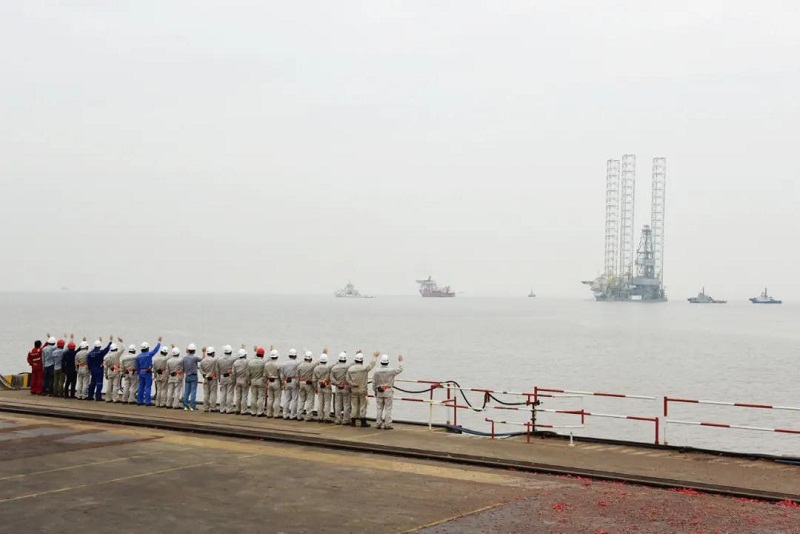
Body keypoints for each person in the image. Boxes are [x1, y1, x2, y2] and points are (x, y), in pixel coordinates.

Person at [372, 354, 404, 429]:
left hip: (379, 390)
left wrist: (375, 390)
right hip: (388, 390)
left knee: (379, 408)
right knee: (388, 408)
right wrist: (400, 361)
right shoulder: (391, 370)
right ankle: (387, 424)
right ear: (388, 362)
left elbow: (374, 382)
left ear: (381, 362)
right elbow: (400, 369)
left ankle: (378, 423)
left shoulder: (377, 371)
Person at [346, 351, 378, 427]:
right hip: (362, 390)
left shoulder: (350, 369)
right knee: (363, 405)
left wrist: (352, 384)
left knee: (354, 405)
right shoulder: (364, 368)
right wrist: (375, 357)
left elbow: (347, 379)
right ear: (362, 360)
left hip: (354, 389)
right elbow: (372, 364)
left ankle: (353, 421)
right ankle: (363, 421)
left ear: (355, 360)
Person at [136, 338, 163, 406]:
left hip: (141, 372)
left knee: (141, 387)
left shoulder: (138, 356)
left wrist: (139, 373)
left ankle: (139, 401)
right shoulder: (149, 354)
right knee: (148, 387)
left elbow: (137, 366)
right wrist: (159, 342)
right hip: (147, 372)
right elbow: (155, 350)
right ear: (147, 348)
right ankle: (147, 402)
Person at [330, 351, 352, 425]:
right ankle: (346, 419)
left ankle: (338, 419)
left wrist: (337, 383)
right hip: (346, 387)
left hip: (338, 388)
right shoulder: (347, 367)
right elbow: (354, 364)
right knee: (346, 404)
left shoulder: (334, 368)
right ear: (345, 359)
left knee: (337, 404)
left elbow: (331, 378)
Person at [297, 351, 319, 421]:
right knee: (310, 400)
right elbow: (318, 362)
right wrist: (324, 353)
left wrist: (298, 384)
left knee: (301, 400)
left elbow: (297, 376)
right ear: (310, 359)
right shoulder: (312, 365)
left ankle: (299, 415)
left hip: (301, 383)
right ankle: (308, 416)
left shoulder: (299, 366)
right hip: (308, 384)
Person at [313, 350, 333, 423]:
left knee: (320, 402)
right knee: (327, 402)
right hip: (327, 384)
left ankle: (320, 417)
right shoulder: (328, 367)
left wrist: (315, 388)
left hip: (319, 385)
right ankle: (326, 417)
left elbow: (314, 379)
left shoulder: (316, 368)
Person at [280, 348, 300, 420]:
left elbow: (281, 375)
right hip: (294, 380)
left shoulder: (283, 363)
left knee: (287, 399)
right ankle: (293, 414)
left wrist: (283, 382)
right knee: (294, 399)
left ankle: (285, 414)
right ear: (295, 355)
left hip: (286, 381)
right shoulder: (297, 363)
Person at [181, 343, 201, 411]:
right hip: (194, 376)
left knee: (186, 392)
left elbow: (182, 366)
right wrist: (204, 352)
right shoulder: (195, 358)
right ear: (194, 350)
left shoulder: (184, 358)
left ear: (188, 350)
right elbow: (202, 359)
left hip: (187, 376)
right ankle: (192, 406)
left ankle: (185, 406)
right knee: (193, 391)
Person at [247, 347, 267, 417]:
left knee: (253, 396)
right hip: (261, 380)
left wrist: (249, 381)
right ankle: (260, 412)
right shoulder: (263, 362)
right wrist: (265, 380)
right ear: (263, 355)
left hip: (253, 380)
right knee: (261, 397)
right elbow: (265, 373)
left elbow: (248, 373)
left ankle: (253, 411)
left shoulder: (250, 362)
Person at [103, 338, 124, 403]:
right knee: (115, 385)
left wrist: (105, 374)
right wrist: (121, 342)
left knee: (109, 386)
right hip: (116, 370)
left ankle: (108, 398)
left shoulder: (106, 357)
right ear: (116, 348)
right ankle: (115, 398)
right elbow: (123, 349)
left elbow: (105, 367)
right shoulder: (116, 354)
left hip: (110, 371)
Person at [217, 345, 235, 414]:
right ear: (231, 351)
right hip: (230, 376)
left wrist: (218, 378)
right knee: (230, 393)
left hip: (222, 377)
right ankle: (229, 409)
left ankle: (222, 409)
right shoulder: (233, 359)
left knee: (222, 393)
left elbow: (217, 370)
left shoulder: (219, 359)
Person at [199, 346, 219, 413]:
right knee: (213, 393)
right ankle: (213, 407)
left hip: (206, 378)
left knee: (206, 394)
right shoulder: (215, 360)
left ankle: (206, 407)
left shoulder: (203, 360)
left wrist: (204, 374)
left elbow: (200, 369)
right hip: (213, 378)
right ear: (212, 353)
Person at [232, 346, 250, 415]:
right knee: (244, 396)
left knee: (238, 396)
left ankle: (237, 409)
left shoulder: (235, 363)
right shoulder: (247, 362)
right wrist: (248, 381)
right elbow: (248, 372)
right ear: (244, 355)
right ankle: (243, 410)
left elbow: (233, 373)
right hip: (244, 380)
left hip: (237, 380)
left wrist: (234, 381)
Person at [264, 349, 282, 418]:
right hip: (276, 381)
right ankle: (276, 414)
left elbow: (264, 375)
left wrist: (265, 382)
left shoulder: (267, 364)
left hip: (269, 381)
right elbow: (281, 376)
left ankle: (269, 413)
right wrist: (283, 384)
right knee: (277, 398)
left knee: (270, 398)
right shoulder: (279, 364)